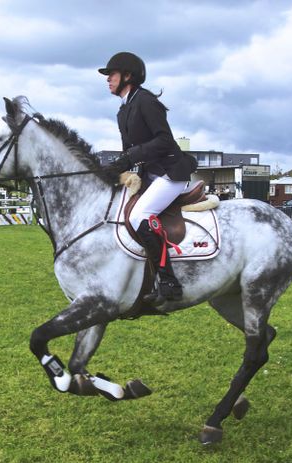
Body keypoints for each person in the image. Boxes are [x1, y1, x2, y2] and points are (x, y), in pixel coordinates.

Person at [99, 52, 197, 305]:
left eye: (112, 74)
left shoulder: (146, 101)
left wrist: (130, 156)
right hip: (150, 175)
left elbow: (164, 140)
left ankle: (168, 281)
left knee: (138, 216)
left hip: (171, 173)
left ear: (128, 76)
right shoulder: (123, 110)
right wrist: (115, 169)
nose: (108, 79)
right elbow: (128, 152)